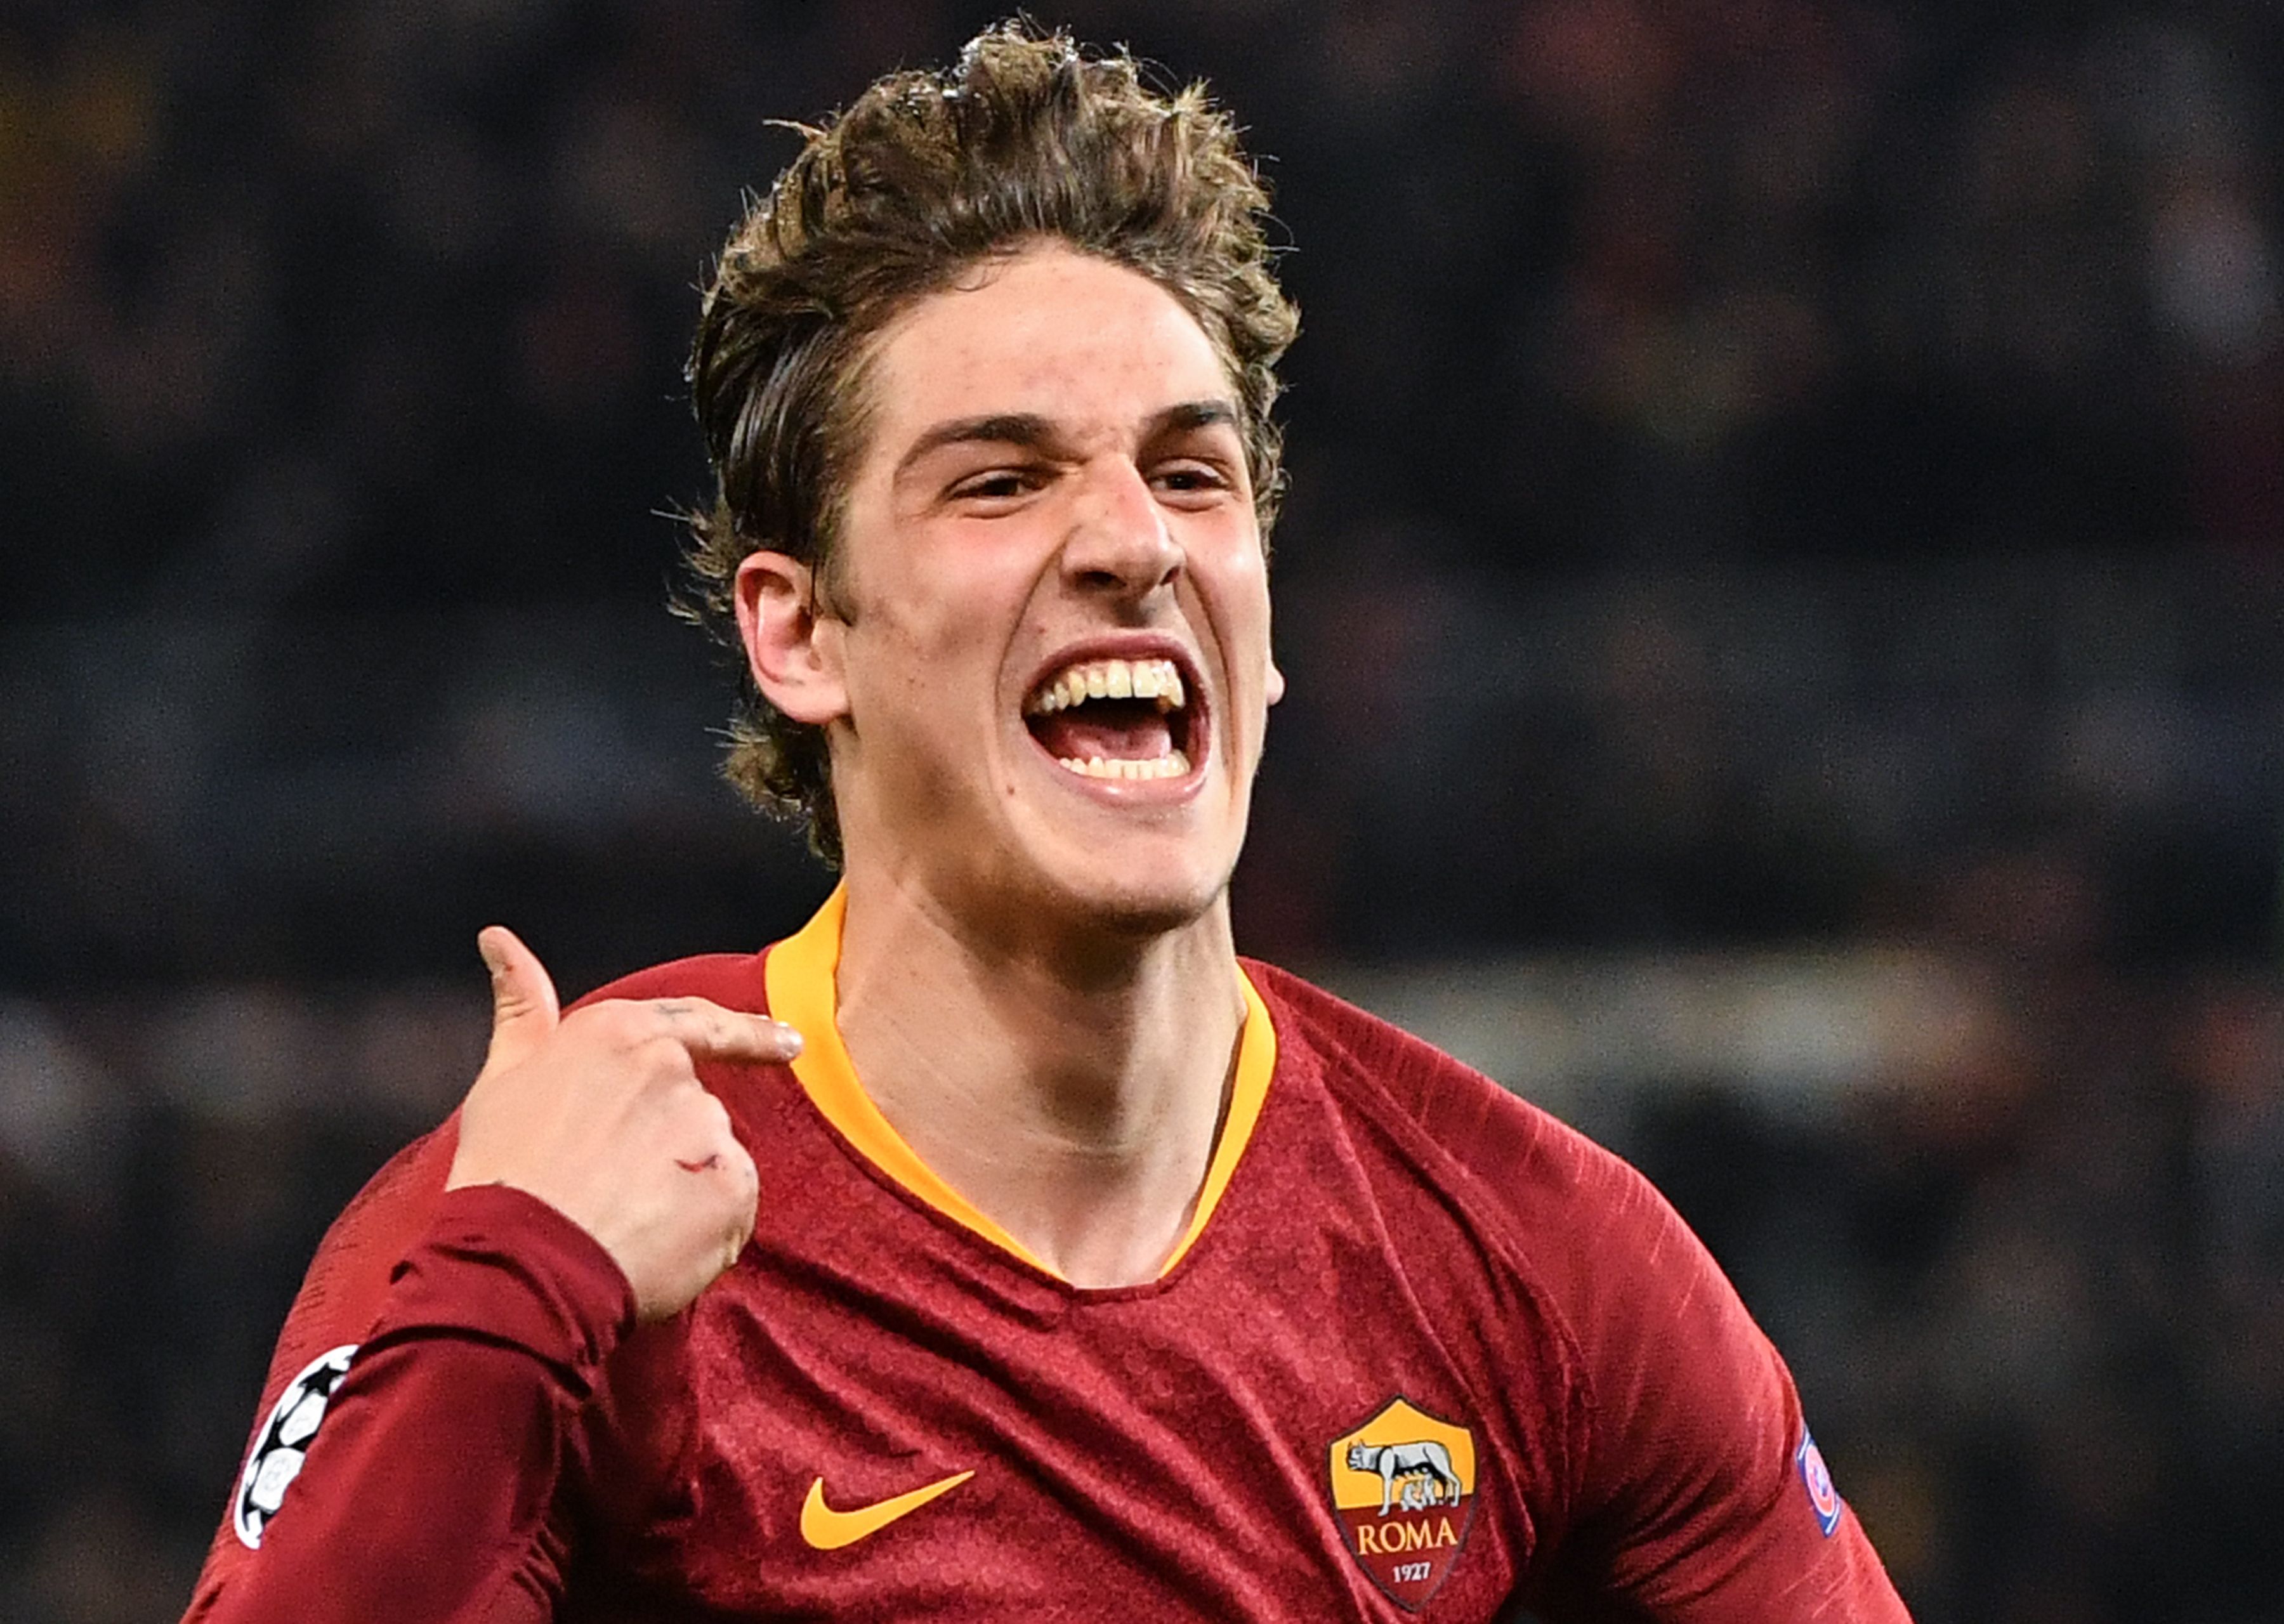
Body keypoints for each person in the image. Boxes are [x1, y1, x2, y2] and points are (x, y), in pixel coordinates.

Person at [181, 22, 1910, 1621]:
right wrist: (511, 1289)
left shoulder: (1536, 1263)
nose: (1133, 543)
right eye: (1001, 481)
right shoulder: (566, 1208)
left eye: (1190, 473)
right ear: (800, 632)